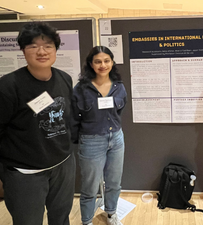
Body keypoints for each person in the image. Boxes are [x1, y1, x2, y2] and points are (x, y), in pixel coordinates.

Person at [0, 21, 75, 225]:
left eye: (48, 45)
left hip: (62, 165)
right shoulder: (8, 86)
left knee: (61, 218)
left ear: (56, 50)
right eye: (33, 46)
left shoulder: (65, 78)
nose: (41, 51)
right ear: (23, 51)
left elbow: (66, 118)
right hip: (26, 173)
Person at [71, 46, 127, 225]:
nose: (103, 65)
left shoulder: (119, 86)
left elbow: (119, 110)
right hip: (91, 141)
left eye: (106, 61)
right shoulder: (81, 89)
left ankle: (111, 214)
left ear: (112, 62)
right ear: (91, 64)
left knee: (114, 183)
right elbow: (74, 116)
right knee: (89, 187)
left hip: (116, 139)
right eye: (98, 61)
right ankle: (86, 221)